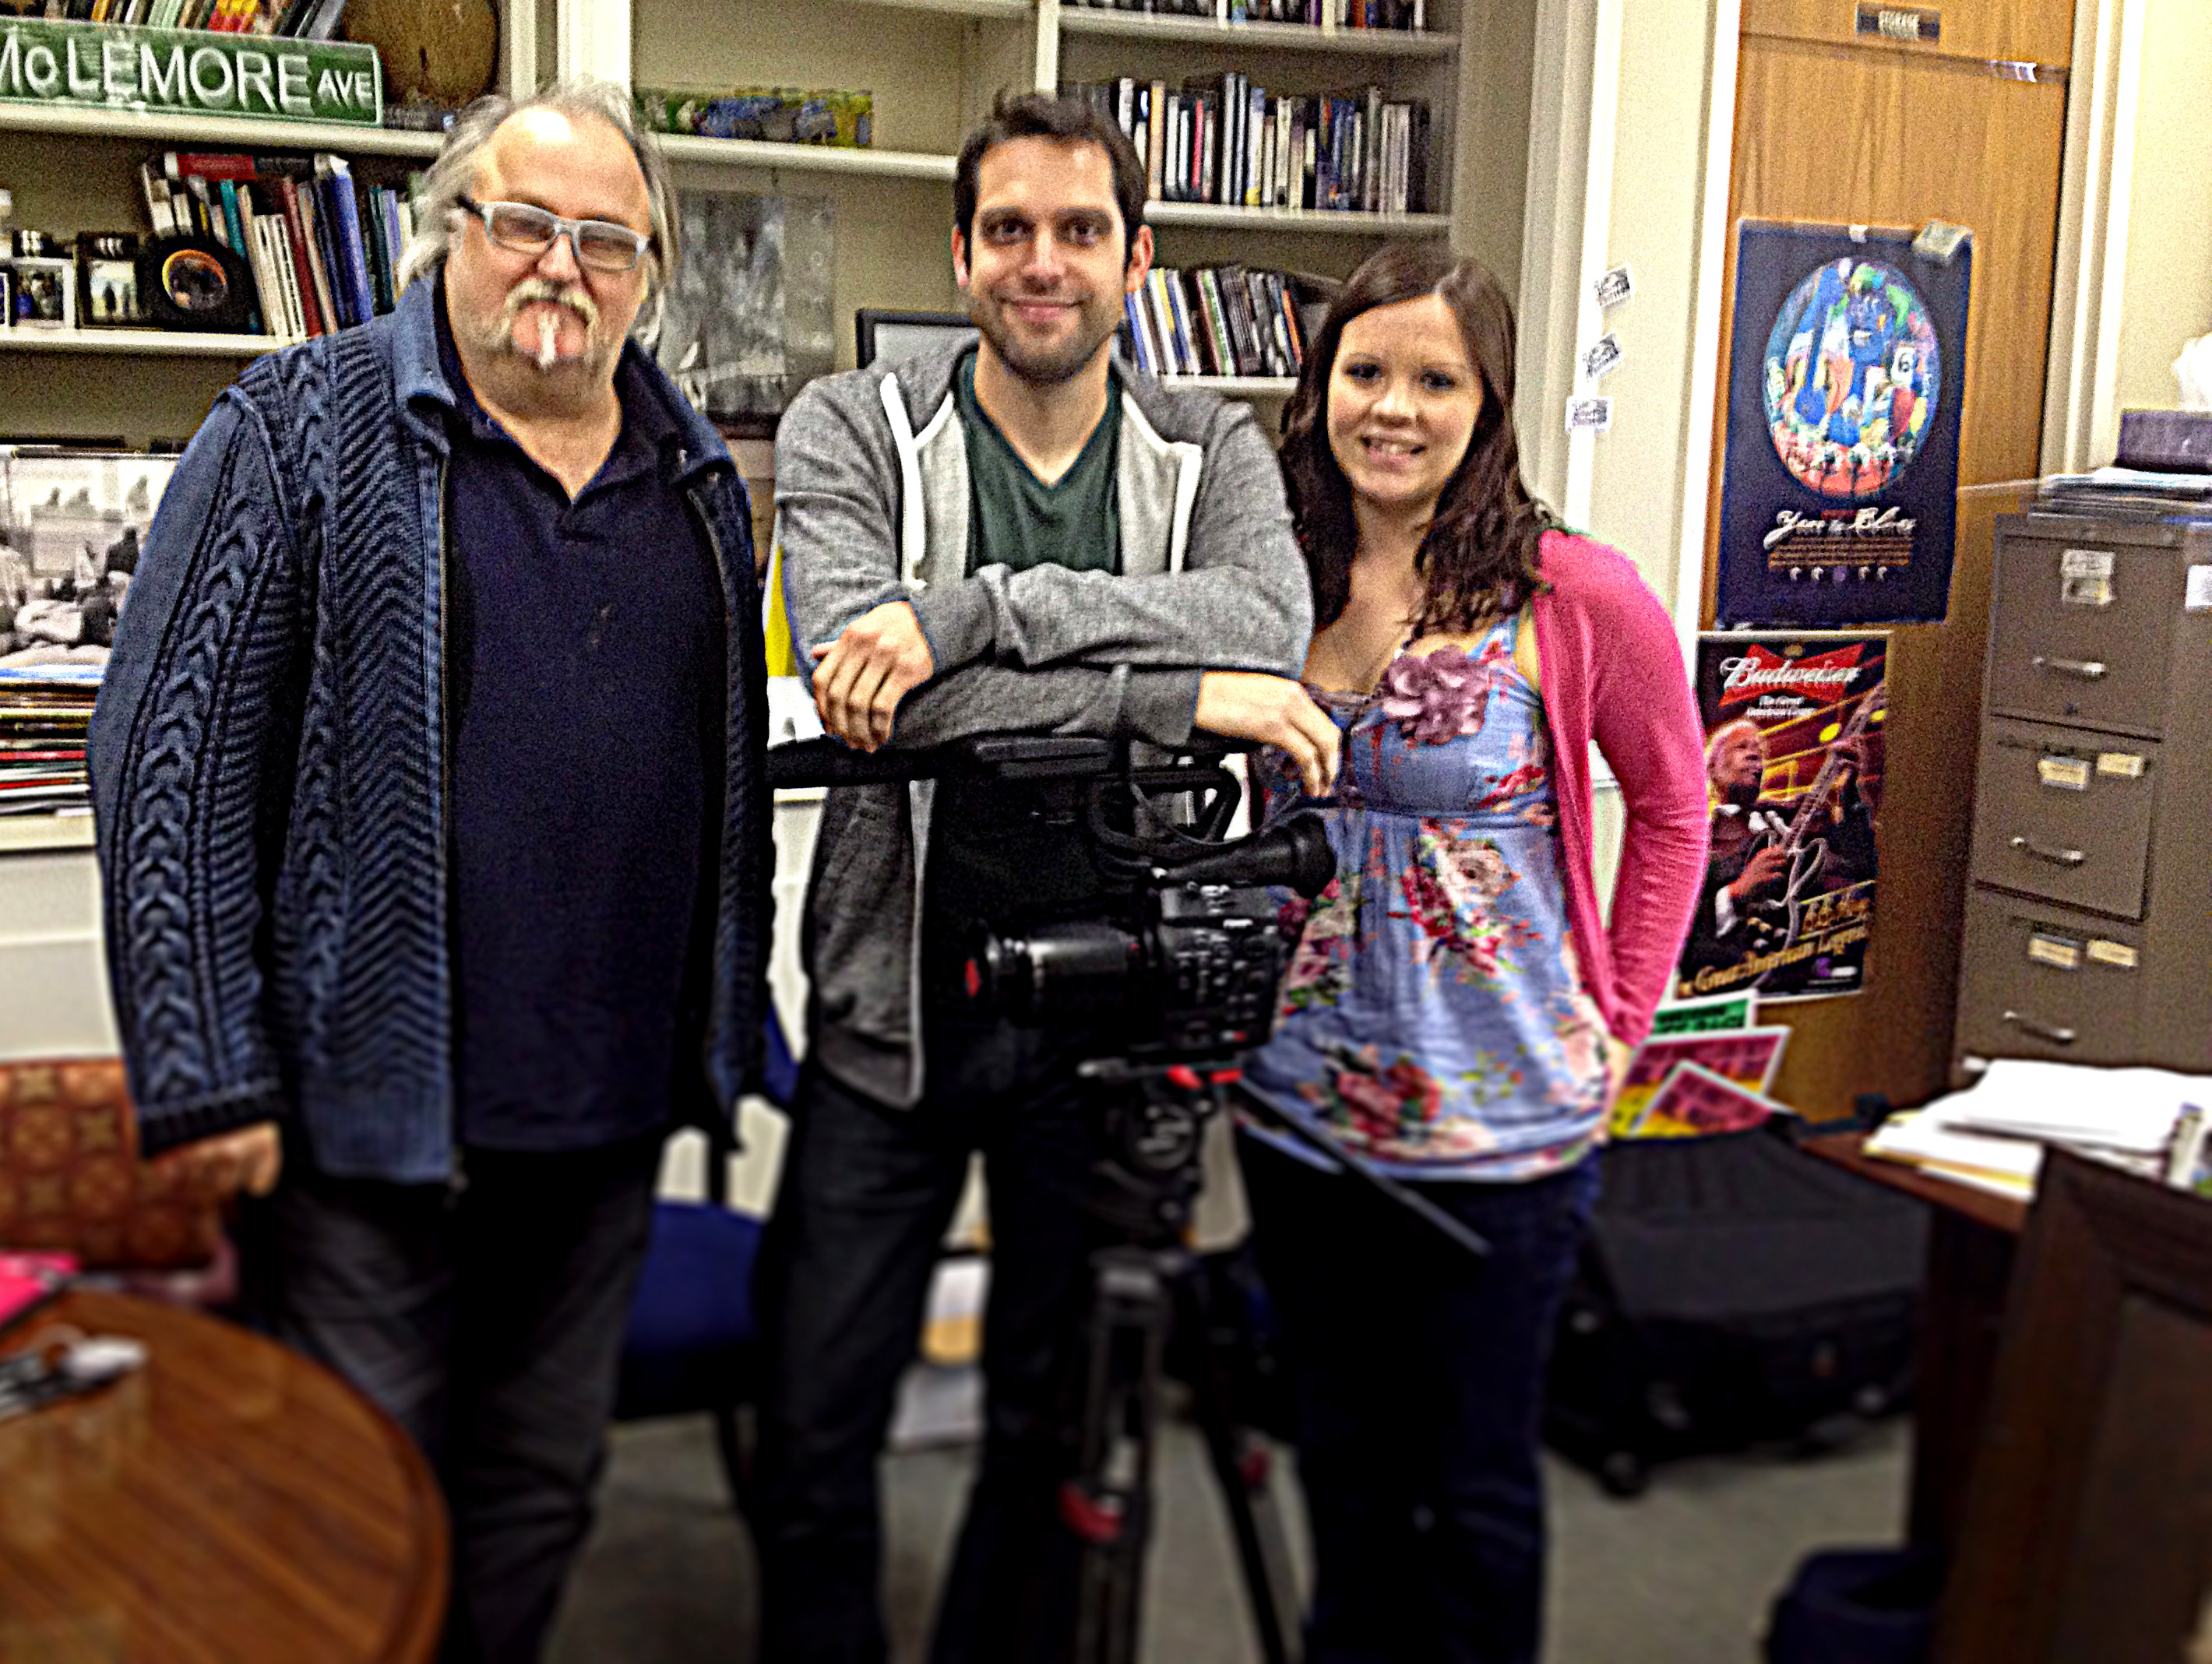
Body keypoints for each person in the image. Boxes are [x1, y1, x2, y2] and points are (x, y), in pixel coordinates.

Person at [88, 81, 772, 1664]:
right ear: (447, 232)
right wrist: (205, 1075)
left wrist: (719, 1027)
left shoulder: (697, 485)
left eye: (608, 239)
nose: (562, 266)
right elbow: (164, 764)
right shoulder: (297, 427)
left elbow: (721, 779)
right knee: (349, 1506)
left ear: (651, 271)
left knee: (538, 1488)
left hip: (600, 1115)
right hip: (362, 1124)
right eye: (525, 222)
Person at [754, 89, 1341, 1664]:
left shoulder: (1208, 444)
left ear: (1136, 259)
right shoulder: (850, 427)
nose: (1043, 263)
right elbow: (876, 698)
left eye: (1080, 231)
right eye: (1008, 229)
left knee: (1053, 1427)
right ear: (960, 254)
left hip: (1103, 1028)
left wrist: (970, 614)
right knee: (810, 1423)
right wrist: (1160, 693)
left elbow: (1263, 631)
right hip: (896, 1012)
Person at [1239, 244, 1707, 1664]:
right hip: (1300, 1111)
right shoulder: (1268, 570)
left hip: (1500, 1121)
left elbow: (1677, 808)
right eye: (1362, 371)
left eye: (1432, 378)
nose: (1391, 406)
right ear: (1318, 387)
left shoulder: (1574, 594)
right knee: (1343, 1468)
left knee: (1473, 1484)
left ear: (1485, 401)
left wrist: (1620, 1013)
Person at [1684, 711, 1877, 988]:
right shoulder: (1699, 841)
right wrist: (1736, 892)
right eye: (1742, 747)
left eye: (1759, 752)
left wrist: (1851, 789)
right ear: (1712, 768)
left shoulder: (1796, 811)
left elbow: (1857, 858)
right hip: (1745, 975)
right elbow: (1681, 928)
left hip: (1826, 960)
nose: (1755, 756)